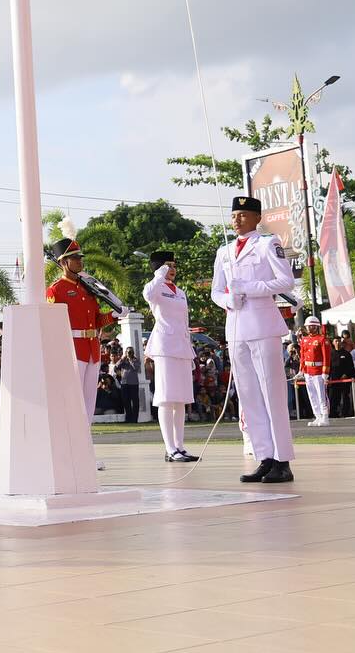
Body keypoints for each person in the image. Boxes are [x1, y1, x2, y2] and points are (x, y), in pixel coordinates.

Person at [212, 196, 296, 484]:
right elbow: (216, 291)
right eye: (234, 214)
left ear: (256, 218)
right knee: (249, 396)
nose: (236, 220)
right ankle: (265, 457)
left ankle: (283, 460)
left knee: (273, 394)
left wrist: (249, 288)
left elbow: (285, 282)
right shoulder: (223, 251)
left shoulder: (267, 244)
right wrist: (228, 298)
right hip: (235, 327)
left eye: (243, 215)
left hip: (262, 325)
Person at [47, 235, 117, 469]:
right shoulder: (56, 290)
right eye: (75, 258)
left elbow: (97, 320)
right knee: (73, 405)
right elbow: (54, 326)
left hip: (92, 351)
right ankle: (69, 453)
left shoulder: (87, 288)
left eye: (80, 257)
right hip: (72, 351)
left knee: (87, 406)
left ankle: (84, 453)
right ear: (64, 262)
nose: (80, 261)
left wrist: (114, 316)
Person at [141, 252, 198, 462]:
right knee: (166, 398)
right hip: (165, 346)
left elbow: (184, 321)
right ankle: (170, 448)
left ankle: (180, 447)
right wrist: (159, 274)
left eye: (174, 265)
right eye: (167, 265)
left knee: (180, 399)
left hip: (181, 346)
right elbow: (147, 295)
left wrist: (190, 347)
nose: (172, 269)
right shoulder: (156, 289)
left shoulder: (180, 292)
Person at [297, 317, 332, 426]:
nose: (307, 327)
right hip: (308, 371)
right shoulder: (304, 340)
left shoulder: (322, 340)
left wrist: (325, 372)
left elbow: (327, 357)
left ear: (315, 327)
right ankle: (317, 416)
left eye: (309, 326)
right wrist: (301, 371)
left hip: (318, 371)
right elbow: (302, 357)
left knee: (321, 395)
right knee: (312, 395)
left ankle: (325, 417)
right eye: (307, 326)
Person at [117, 348, 140, 424]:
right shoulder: (123, 360)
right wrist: (122, 359)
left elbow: (136, 368)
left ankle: (134, 419)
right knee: (126, 401)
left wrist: (130, 360)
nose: (129, 353)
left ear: (133, 353)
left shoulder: (136, 360)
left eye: (130, 352)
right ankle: (128, 418)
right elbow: (116, 367)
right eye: (127, 352)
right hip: (124, 383)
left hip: (133, 384)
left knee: (135, 402)